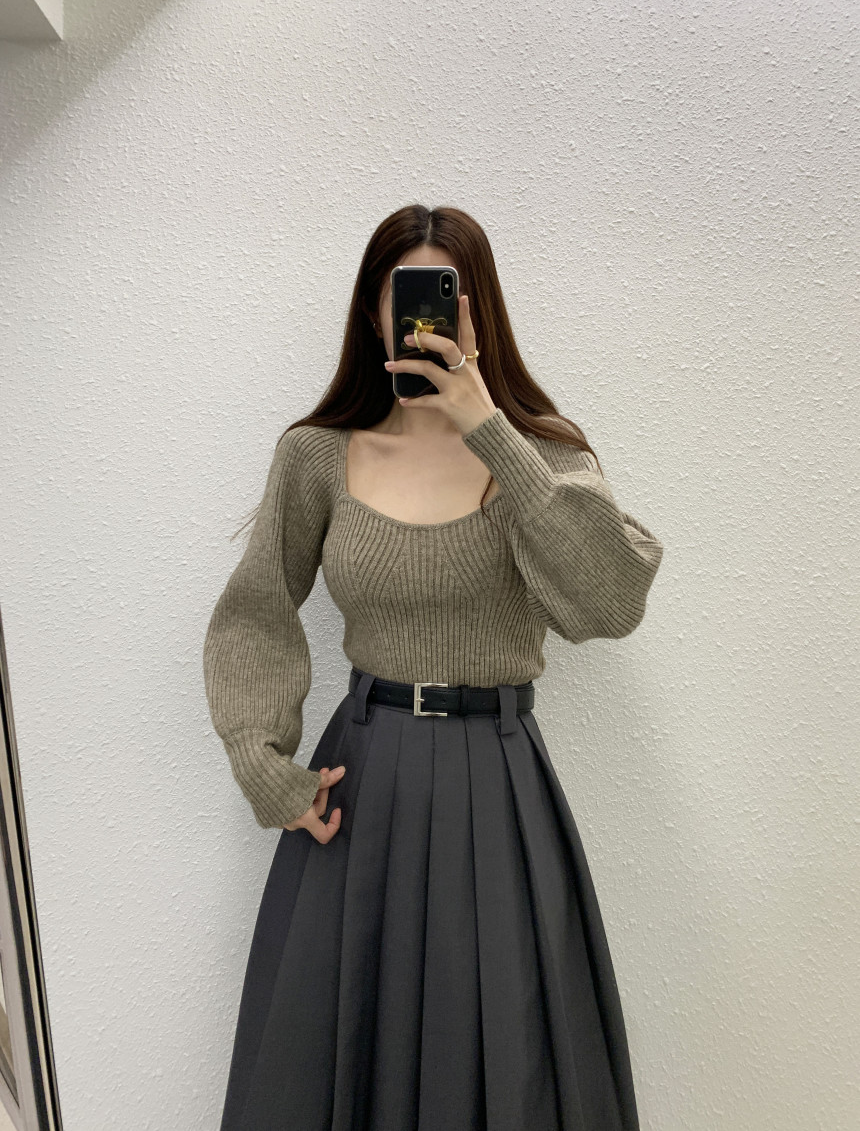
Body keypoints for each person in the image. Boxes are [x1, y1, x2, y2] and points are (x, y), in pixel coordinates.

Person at [203, 204, 664, 1131]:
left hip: (498, 782)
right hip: (359, 785)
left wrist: (489, 428)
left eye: (446, 297)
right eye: (402, 296)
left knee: (506, 1059)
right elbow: (256, 606)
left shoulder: (543, 455)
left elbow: (610, 604)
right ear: (373, 313)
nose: (422, 319)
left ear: (477, 312)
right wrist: (264, 762)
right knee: (329, 1064)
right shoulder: (317, 455)